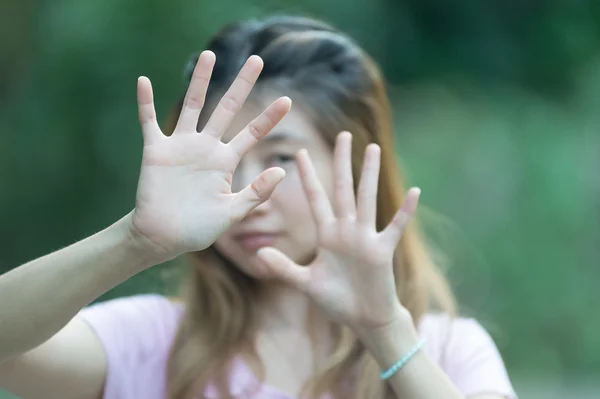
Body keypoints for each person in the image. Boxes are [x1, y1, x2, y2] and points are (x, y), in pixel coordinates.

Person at [0, 15, 517, 399]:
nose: (247, 196)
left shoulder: (446, 352)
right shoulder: (151, 343)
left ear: (357, 165)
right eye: (226, 161)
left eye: (282, 158)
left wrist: (387, 335)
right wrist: (135, 241)